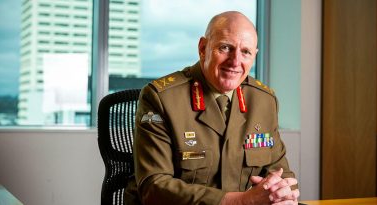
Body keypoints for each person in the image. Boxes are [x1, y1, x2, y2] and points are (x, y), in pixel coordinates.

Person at [129, 11, 300, 205]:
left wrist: (283, 193)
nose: (235, 61)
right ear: (203, 48)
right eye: (226, 48)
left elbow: (281, 173)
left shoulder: (263, 101)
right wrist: (243, 201)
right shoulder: (162, 98)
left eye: (246, 52)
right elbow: (154, 188)